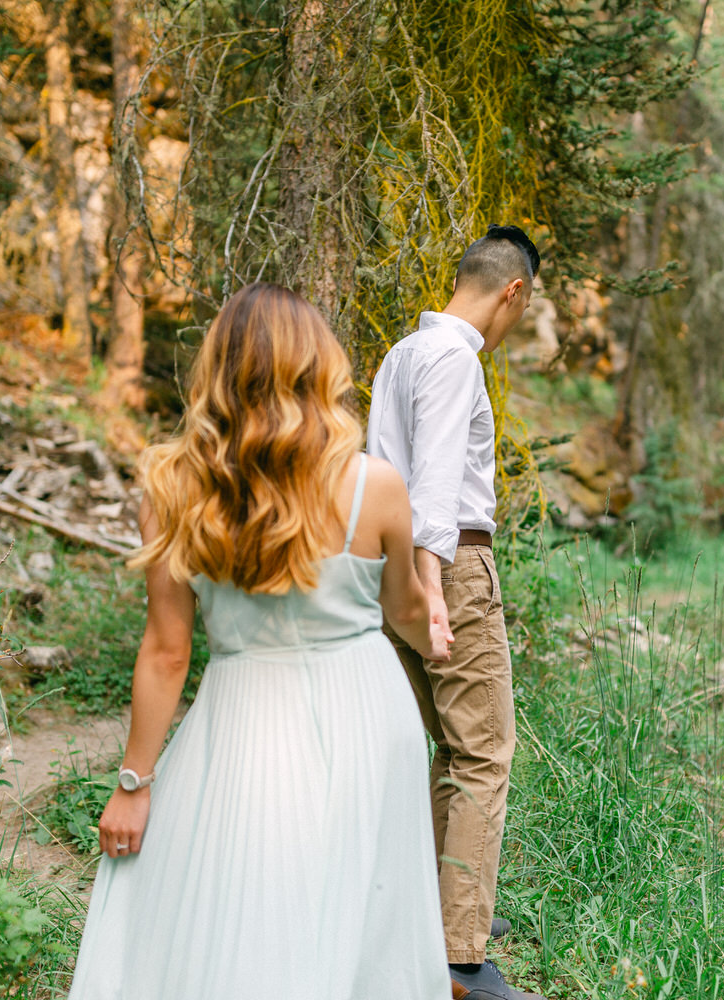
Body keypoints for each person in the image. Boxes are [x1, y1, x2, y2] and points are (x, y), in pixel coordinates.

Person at [67, 283, 453, 999]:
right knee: (358, 905)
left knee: (244, 894)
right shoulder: (378, 486)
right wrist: (432, 619)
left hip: (245, 710)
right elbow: (405, 613)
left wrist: (134, 783)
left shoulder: (172, 486)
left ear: (216, 370)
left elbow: (166, 651)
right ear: (319, 368)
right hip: (367, 709)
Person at [367, 225, 545, 1000]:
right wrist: (435, 585)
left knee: (431, 742)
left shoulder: (403, 353)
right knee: (483, 750)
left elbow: (384, 467)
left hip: (387, 565)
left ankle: (442, 907)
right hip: (450, 566)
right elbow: (435, 483)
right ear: (512, 291)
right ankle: (458, 957)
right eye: (525, 308)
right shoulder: (454, 360)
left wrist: (401, 581)